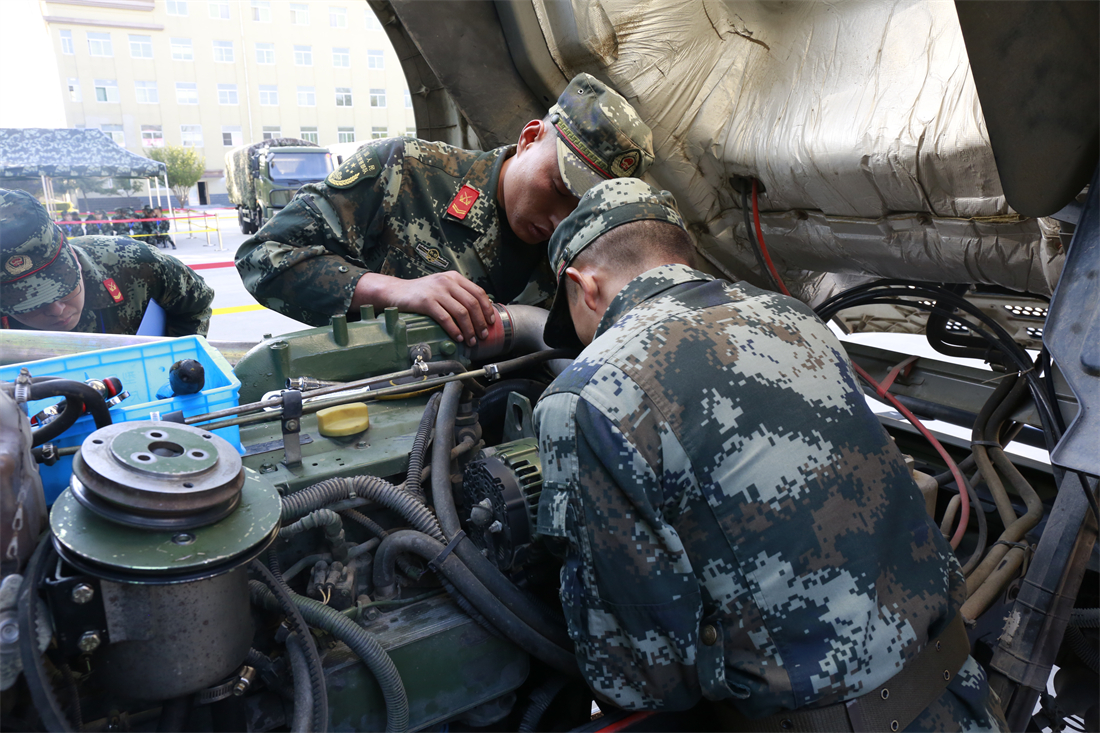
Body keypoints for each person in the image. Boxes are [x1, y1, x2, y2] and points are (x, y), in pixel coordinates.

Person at [532, 179, 1005, 731]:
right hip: (960, 696)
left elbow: (642, 676)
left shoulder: (587, 394)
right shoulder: (797, 318)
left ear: (583, 286)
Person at [236, 72, 654, 347]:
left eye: (582, 207)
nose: (564, 219)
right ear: (529, 138)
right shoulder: (403, 171)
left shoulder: (588, 245)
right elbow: (262, 256)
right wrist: (394, 291)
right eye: (560, 187)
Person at [0, 190, 213, 336]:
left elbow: (196, 304)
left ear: (74, 257)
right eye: (29, 303)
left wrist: (171, 362)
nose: (56, 310)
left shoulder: (134, 262)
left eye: (62, 288)